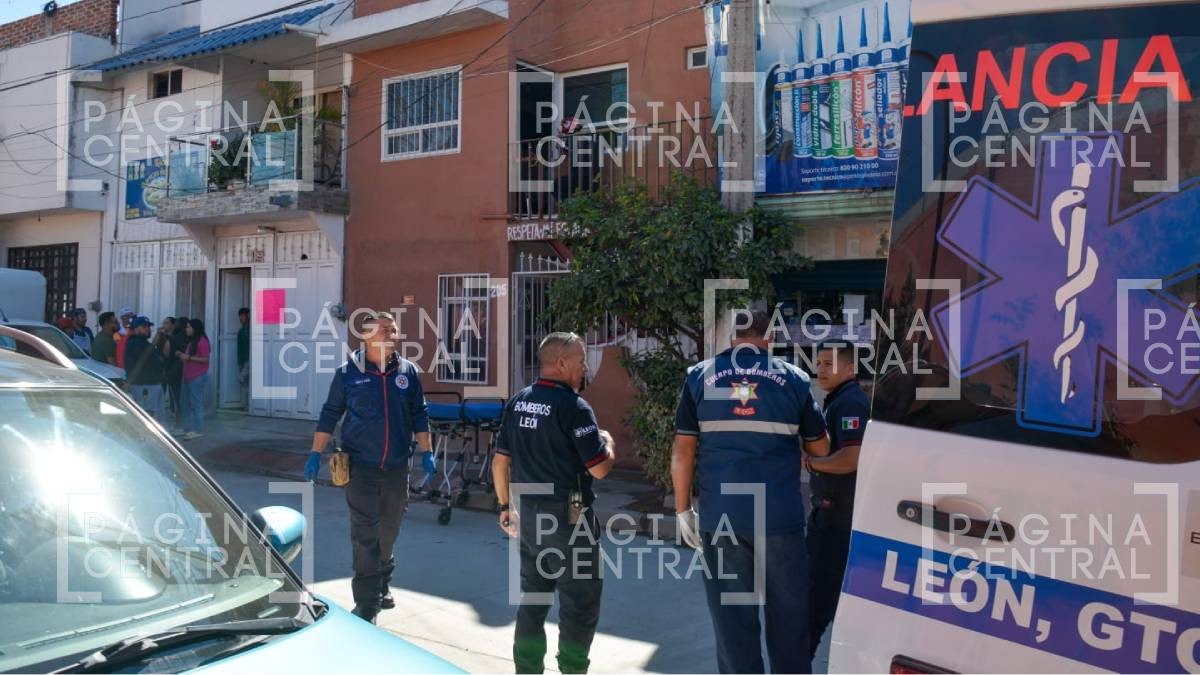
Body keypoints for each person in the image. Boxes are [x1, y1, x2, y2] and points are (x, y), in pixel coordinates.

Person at [671, 308, 830, 674]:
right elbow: (820, 449)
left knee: (732, 620)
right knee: (789, 617)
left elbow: (682, 452)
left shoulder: (700, 377)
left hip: (722, 516)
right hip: (780, 518)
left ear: (731, 339)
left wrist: (683, 510)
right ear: (769, 338)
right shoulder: (794, 379)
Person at [492, 332, 616, 675]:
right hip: (569, 520)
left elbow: (500, 462)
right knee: (579, 605)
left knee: (532, 602)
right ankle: (573, 670)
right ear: (562, 363)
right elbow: (601, 468)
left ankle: (527, 670)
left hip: (530, 517)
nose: (585, 367)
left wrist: (505, 507)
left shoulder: (518, 401)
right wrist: (608, 442)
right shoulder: (574, 408)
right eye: (580, 360)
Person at [306, 311, 433, 624]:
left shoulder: (408, 372)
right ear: (366, 336)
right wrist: (315, 453)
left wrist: (427, 452)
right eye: (384, 329)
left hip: (396, 467)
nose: (391, 333)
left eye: (394, 329)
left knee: (388, 531)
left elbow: (419, 413)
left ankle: (382, 581)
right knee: (365, 535)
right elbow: (330, 413)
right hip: (359, 466)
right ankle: (367, 605)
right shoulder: (348, 372)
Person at [806, 340, 869, 657]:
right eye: (818, 363)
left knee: (813, 606)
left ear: (850, 368)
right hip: (829, 515)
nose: (821, 369)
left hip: (837, 521)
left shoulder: (850, 405)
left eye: (829, 363)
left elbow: (851, 458)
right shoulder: (838, 400)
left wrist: (811, 463)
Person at [124, 316, 166, 423]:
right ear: (136, 329)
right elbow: (152, 360)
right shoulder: (135, 343)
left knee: (157, 418)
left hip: (151, 385)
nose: (148, 328)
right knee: (149, 418)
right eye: (144, 326)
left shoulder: (143, 343)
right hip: (144, 386)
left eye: (149, 326)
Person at [177, 318, 210, 440]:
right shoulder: (192, 342)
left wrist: (188, 357)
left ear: (194, 328)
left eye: (189, 327)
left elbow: (206, 360)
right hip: (187, 376)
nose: (187, 329)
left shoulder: (202, 342)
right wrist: (181, 355)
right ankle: (187, 428)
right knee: (184, 403)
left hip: (197, 377)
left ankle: (198, 429)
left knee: (197, 403)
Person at [165, 316, 190, 429]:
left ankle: (178, 425)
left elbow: (166, 354)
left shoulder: (173, 338)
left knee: (176, 399)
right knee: (186, 398)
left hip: (174, 371)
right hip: (188, 372)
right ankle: (187, 424)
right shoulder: (191, 339)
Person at [236, 307, 250, 408]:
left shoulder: (251, 330)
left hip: (250, 360)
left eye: (243, 316)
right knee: (244, 381)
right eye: (240, 316)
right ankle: (246, 404)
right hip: (244, 360)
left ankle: (247, 404)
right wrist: (240, 362)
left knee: (242, 379)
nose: (241, 318)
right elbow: (240, 348)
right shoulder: (241, 331)